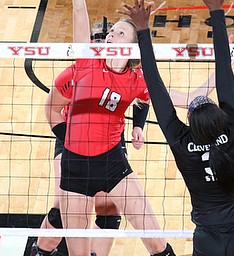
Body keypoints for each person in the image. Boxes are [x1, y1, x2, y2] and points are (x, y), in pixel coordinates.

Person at [118, 0, 234, 255]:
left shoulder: (182, 142)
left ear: (189, 121)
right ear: (219, 116)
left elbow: (154, 87)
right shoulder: (230, 132)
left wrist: (143, 30)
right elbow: (224, 72)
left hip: (207, 240)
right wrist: (216, 11)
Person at [44, 0, 176, 255]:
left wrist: (221, 71)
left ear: (132, 49)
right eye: (111, 31)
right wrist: (71, 139)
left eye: (119, 33)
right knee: (68, 236)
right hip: (76, 164)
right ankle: (42, 249)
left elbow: (178, 97)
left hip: (112, 162)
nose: (110, 35)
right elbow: (79, 12)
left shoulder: (136, 80)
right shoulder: (86, 62)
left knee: (156, 242)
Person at [31, 18, 150, 256]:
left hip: (110, 141)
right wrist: (72, 144)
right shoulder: (81, 68)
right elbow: (52, 109)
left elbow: (143, 96)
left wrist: (138, 126)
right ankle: (40, 251)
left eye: (116, 35)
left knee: (110, 211)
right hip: (70, 135)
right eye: (101, 39)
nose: (105, 42)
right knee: (61, 209)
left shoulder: (130, 74)